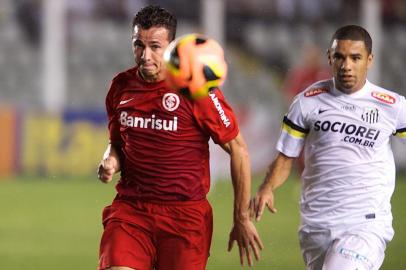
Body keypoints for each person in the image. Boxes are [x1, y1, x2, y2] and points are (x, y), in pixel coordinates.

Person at [96, 5, 263, 270]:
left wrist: (241, 218)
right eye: (138, 45)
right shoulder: (120, 87)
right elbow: (116, 143)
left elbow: (239, 150)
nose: (145, 55)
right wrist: (110, 162)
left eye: (155, 46)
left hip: (184, 218)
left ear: (171, 47)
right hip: (132, 210)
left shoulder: (196, 90)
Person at [251, 24, 406, 270]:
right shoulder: (306, 103)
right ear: (329, 58)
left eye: (355, 58)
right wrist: (266, 187)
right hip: (316, 225)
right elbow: (285, 158)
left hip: (364, 224)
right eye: (340, 57)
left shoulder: (392, 106)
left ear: (369, 60)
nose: (346, 66)